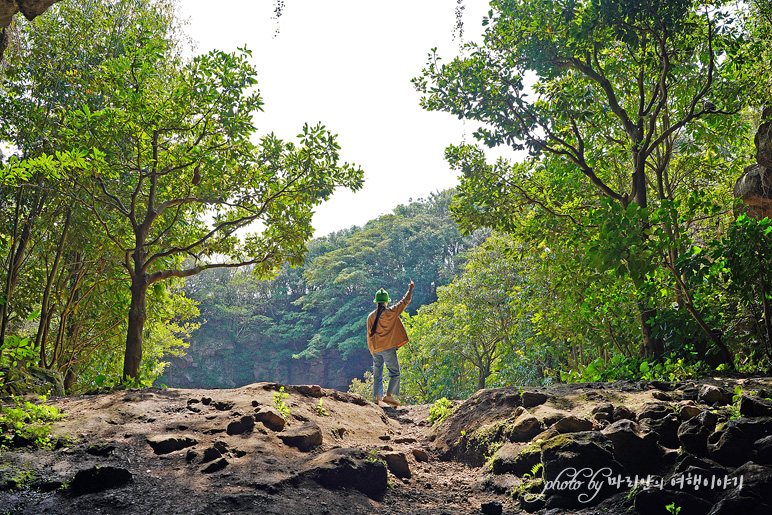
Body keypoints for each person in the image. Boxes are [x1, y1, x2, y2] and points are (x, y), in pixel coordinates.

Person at [366, 281, 414, 407]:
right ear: (386, 302)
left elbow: (369, 334)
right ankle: (388, 396)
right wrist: (410, 290)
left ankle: (378, 400)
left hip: (375, 349)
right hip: (388, 348)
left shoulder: (370, 316)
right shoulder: (391, 312)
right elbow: (404, 302)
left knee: (377, 374)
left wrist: (372, 349)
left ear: (376, 302)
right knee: (394, 373)